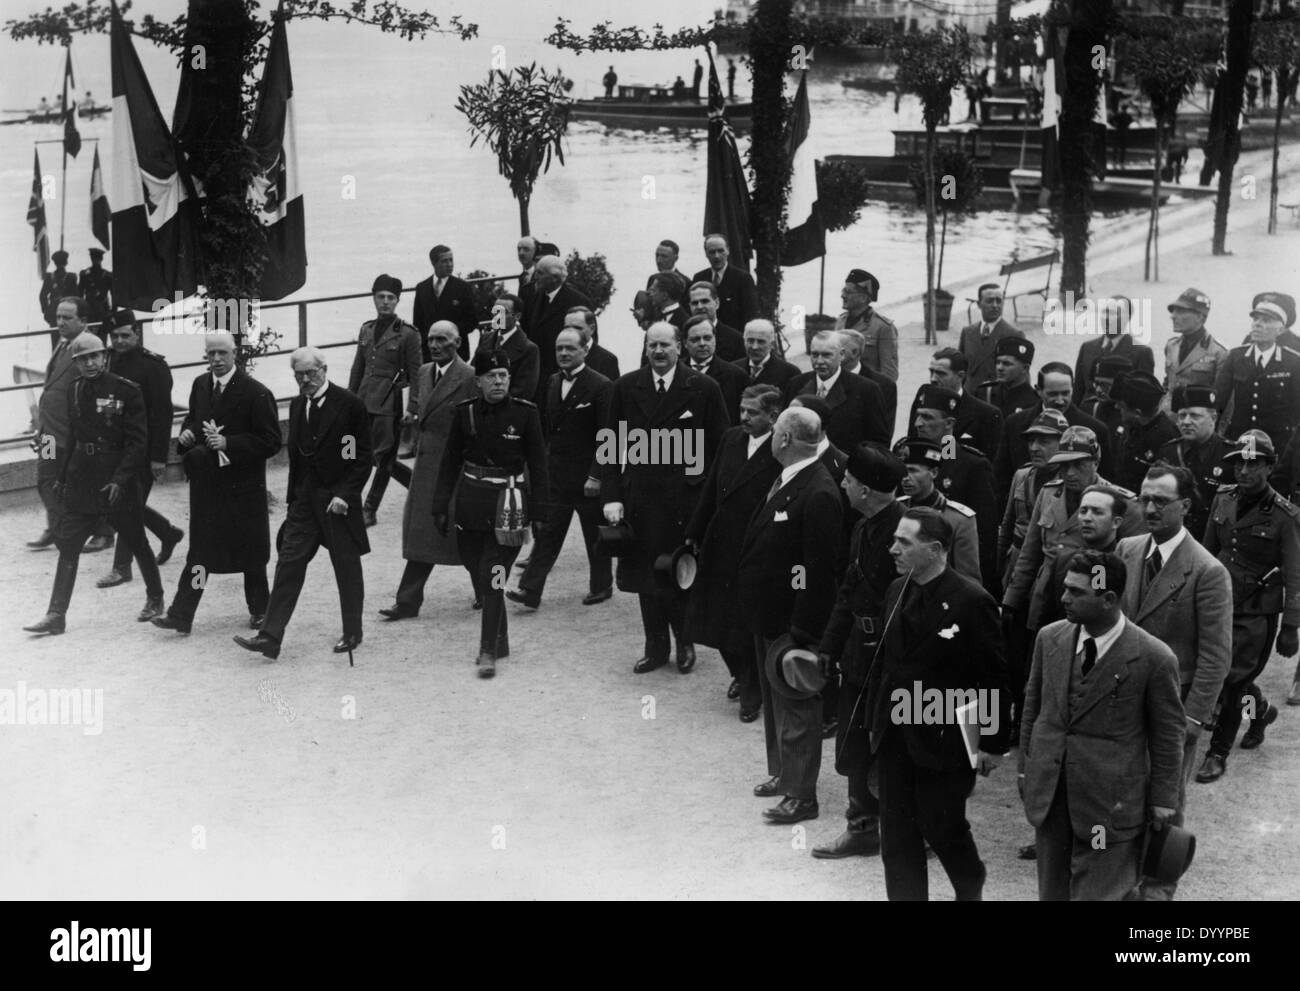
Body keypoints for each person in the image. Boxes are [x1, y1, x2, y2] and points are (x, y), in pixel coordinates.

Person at [863, 507, 1010, 901]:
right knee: (896, 839)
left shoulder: (972, 601)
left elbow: (993, 677)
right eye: (894, 539)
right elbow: (887, 664)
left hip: (944, 738)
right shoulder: (896, 590)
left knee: (942, 827)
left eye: (903, 542)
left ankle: (970, 882)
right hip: (896, 735)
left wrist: (992, 743)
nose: (892, 549)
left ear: (935, 549)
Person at [1020, 550, 1184, 901]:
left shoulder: (1154, 658)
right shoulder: (1050, 639)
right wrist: (1026, 771)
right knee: (1052, 893)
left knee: (1098, 896)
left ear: (1109, 599)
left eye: (1077, 592)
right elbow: (1033, 710)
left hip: (1108, 809)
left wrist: (1163, 799)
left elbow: (1168, 736)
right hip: (1053, 797)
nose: (1064, 598)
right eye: (1065, 588)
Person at [1114, 464, 1232, 899]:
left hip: (1173, 706)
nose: (1148, 508)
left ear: (1185, 506)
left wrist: (1194, 720)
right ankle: (1120, 874)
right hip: (1122, 695)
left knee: (1166, 798)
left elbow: (1216, 656)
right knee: (1122, 786)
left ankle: (1160, 883)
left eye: (1160, 501)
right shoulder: (1126, 549)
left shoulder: (1207, 571)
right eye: (1144, 499)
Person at [601, 323, 728, 674]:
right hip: (640, 495)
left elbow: (721, 450)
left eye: (665, 345)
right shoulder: (626, 386)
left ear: (679, 348)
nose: (658, 352)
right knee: (645, 574)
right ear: (645, 347)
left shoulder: (703, 388)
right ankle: (655, 646)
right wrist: (612, 497)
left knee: (678, 571)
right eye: (652, 345)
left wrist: (710, 499)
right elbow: (611, 445)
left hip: (684, 499)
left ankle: (684, 640)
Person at [739, 407, 844, 825]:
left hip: (792, 621)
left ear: (783, 439)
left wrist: (802, 628)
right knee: (774, 698)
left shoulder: (817, 491)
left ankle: (801, 796)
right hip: (770, 612)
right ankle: (783, 773)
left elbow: (817, 570)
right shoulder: (792, 479)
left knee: (797, 702)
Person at [234, 347, 372, 660]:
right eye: (299, 374)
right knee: (289, 562)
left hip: (337, 502)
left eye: (311, 373)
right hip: (304, 502)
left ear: (324, 369)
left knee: (346, 567)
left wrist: (344, 494)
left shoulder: (349, 405)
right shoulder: (298, 405)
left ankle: (352, 631)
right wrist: (293, 498)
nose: (306, 379)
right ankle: (270, 636)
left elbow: (361, 458)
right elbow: (296, 457)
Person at [23, 333, 164, 634]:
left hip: (117, 481)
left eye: (94, 357)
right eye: (82, 359)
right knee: (69, 547)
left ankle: (156, 598)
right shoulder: (75, 391)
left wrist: (120, 479)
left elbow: (138, 443)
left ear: (104, 357)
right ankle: (56, 614)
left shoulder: (127, 391)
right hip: (83, 481)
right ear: (76, 363)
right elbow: (73, 437)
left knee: (136, 540)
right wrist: (61, 478)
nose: (89, 363)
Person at [151, 332, 282, 635]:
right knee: (200, 553)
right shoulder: (201, 385)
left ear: (236, 353)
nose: (217, 360)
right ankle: (181, 614)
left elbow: (271, 441)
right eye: (211, 354)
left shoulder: (256, 393)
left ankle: (261, 610)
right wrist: (186, 435)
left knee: (251, 555)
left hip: (242, 487)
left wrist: (229, 443)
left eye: (223, 353)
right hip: (208, 487)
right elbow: (194, 420)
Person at [813, 445, 906, 860]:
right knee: (853, 743)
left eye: (848, 480)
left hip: (893, 661)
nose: (843, 484)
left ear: (866, 490)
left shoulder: (908, 533)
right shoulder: (862, 528)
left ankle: (914, 830)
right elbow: (847, 594)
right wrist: (828, 647)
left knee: (895, 747)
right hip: (857, 656)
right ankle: (862, 828)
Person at [432, 352, 548, 679]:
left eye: (503, 376)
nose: (498, 382)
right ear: (478, 380)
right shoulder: (465, 412)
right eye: (492, 376)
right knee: (476, 567)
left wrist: (539, 513)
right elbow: (449, 463)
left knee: (492, 574)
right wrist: (440, 506)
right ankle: (502, 636)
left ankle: (487, 650)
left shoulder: (525, 415)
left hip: (508, 508)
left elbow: (539, 467)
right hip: (471, 507)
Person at [1197, 431, 1300, 781]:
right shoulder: (1222, 499)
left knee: (1233, 679)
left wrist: (1291, 626)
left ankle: (1217, 752)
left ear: (1270, 468)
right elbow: (1207, 554)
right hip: (1219, 602)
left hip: (1257, 610)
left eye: (1253, 464)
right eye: (1239, 462)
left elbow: (1295, 574)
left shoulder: (1285, 516)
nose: (1243, 470)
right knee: (1221, 671)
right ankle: (1260, 712)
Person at [685, 384, 784, 722]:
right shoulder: (731, 439)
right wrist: (694, 534)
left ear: (773, 416)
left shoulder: (781, 448)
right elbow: (712, 486)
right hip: (721, 542)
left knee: (746, 623)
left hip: (756, 547)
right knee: (716, 619)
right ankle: (742, 674)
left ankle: (752, 688)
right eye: (742, 410)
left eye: (752, 412)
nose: (744, 417)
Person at [378, 321, 479, 621]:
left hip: (455, 468)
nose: (435, 346)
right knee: (422, 535)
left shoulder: (470, 377)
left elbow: (475, 426)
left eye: (442, 340)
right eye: (431, 340)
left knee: (465, 537)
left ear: (457, 343)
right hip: (425, 467)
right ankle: (407, 601)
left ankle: (486, 591)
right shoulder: (423, 372)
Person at [508, 326, 613, 610]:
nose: (564, 353)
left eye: (570, 348)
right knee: (548, 533)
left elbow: (608, 436)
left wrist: (596, 476)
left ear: (585, 350)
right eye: (559, 349)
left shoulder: (601, 385)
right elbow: (544, 429)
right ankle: (530, 590)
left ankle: (602, 585)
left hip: (587, 479)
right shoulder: (552, 382)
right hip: (557, 476)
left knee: (595, 534)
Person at [1003, 426, 1143, 640]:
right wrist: (1011, 601)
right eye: (1064, 465)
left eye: (1078, 465)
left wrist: (1102, 603)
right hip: (1046, 600)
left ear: (1095, 462)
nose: (1069, 473)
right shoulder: (1049, 493)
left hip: (1091, 604)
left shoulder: (1120, 503)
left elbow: (1127, 565)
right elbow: (1029, 555)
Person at [96, 309, 184, 589]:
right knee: (123, 503)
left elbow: (163, 414)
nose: (119, 341)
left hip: (144, 450)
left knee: (126, 506)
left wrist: (159, 457)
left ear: (137, 333)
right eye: (114, 336)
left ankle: (121, 567)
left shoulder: (153, 367)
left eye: (125, 335)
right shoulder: (108, 361)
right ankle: (167, 533)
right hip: (115, 449)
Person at [908, 385, 998, 591]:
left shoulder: (969, 465)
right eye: (918, 416)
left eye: (927, 417)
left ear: (949, 423)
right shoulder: (909, 459)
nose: (918, 423)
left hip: (952, 572)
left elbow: (984, 533)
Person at [348, 274, 421, 527]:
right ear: (374, 298)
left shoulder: (408, 334)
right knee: (361, 454)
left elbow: (417, 373)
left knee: (383, 458)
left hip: (390, 404)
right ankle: (418, 486)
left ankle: (369, 508)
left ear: (398, 301)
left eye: (391, 298)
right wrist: (350, 399)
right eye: (381, 297)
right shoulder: (366, 329)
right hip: (363, 400)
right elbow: (358, 368)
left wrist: (413, 407)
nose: (385, 302)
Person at [993, 360, 1113, 505]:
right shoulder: (1015, 423)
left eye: (1065, 393)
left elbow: (1107, 484)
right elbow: (1001, 478)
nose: (1060, 401)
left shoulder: (1095, 429)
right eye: (1053, 394)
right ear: (1038, 390)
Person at [29, 298, 89, 551]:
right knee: (46, 479)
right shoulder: (63, 345)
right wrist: (40, 429)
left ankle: (103, 532)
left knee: (81, 484)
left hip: (70, 434)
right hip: (51, 435)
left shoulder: (87, 347)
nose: (61, 322)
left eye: (67, 317)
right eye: (58, 317)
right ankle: (57, 528)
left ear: (83, 321)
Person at [1213, 295, 1300, 454]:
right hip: (1242, 439)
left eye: (1266, 321)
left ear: (1280, 330)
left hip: (1278, 443)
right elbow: (1218, 403)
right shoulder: (1236, 357)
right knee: (1243, 474)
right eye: (1255, 319)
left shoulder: (1293, 362)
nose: (1257, 324)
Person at [893, 437, 981, 583]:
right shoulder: (896, 510)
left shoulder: (959, 520)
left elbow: (968, 582)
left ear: (933, 473)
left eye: (913, 471)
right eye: (902, 470)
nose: (905, 478)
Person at [784, 331, 889, 451]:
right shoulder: (796, 384)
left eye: (826, 355)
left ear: (842, 354)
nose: (819, 361)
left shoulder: (867, 390)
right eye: (814, 354)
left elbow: (878, 442)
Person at [522, 255, 592, 387]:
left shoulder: (577, 301)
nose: (535, 277)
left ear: (554, 278)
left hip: (562, 371)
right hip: (538, 372)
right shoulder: (535, 297)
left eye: (540, 273)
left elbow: (587, 339)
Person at [1072, 296, 1155, 406]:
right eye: (1104, 312)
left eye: (1113, 314)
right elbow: (1078, 389)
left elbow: (1142, 397)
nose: (1106, 318)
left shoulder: (1141, 352)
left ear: (1128, 318)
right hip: (1086, 415)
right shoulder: (1087, 347)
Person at [921, 347, 1001, 459]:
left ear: (960, 376)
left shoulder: (986, 414)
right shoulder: (922, 405)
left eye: (941, 373)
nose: (933, 378)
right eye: (931, 372)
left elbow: (991, 463)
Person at [1111, 371, 1180, 493]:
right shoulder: (1133, 425)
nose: (1116, 407)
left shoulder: (1167, 438)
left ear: (1138, 413)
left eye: (1121, 405)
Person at [411, 244, 480, 362]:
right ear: (434, 263)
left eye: (451, 260)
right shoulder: (422, 288)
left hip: (456, 351)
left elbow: (472, 320)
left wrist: (451, 335)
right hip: (430, 353)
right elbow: (418, 322)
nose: (450, 264)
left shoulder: (463, 287)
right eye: (444, 261)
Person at [1164, 287, 1227, 401]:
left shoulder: (1219, 352)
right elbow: (1168, 383)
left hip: (1196, 417)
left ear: (1199, 317)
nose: (1173, 316)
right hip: (1168, 416)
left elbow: (1223, 399)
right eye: (1173, 311)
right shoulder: (1171, 346)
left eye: (1180, 311)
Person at [834, 268, 898, 381]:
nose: (842, 295)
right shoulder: (840, 321)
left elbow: (889, 373)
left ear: (863, 298)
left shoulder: (883, 327)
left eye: (848, 292)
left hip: (866, 392)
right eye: (843, 291)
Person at [472, 294, 540, 402]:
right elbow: (473, 372)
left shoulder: (529, 349)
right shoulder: (485, 339)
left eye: (503, 313)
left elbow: (523, 390)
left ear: (517, 316)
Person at [682, 314, 747, 424]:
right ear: (685, 343)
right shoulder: (674, 372)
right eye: (695, 339)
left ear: (715, 339)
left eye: (707, 338)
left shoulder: (737, 376)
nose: (702, 344)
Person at [959, 283, 1023, 391]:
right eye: (990, 301)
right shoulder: (967, 332)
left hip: (995, 398)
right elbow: (960, 370)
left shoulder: (1014, 335)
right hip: (969, 397)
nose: (995, 305)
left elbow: (1022, 376)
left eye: (999, 301)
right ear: (979, 304)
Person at [692, 234, 759, 333]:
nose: (716, 256)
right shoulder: (699, 277)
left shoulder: (743, 278)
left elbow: (751, 315)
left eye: (720, 251)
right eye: (712, 252)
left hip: (734, 339)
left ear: (728, 251)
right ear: (706, 253)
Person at [838, 329, 897, 435]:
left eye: (838, 350)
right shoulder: (820, 377)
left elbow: (883, 435)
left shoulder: (884, 386)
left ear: (855, 353)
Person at [686, 280, 746, 361]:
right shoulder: (683, 336)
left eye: (705, 301)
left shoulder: (736, 339)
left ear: (717, 303)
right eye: (695, 303)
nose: (699, 307)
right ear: (689, 306)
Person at [735, 318, 799, 391]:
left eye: (761, 342)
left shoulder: (790, 373)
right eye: (750, 341)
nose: (754, 347)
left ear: (772, 344)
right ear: (744, 341)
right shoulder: (733, 370)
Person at [39, 250, 79, 337]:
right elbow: (77, 296)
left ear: (55, 263)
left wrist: (46, 311)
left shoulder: (49, 277)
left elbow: (42, 296)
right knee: (68, 340)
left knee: (55, 340)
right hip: (68, 313)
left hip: (54, 314)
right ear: (66, 262)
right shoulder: (71, 277)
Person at [645, 239, 689, 304]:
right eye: (657, 255)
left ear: (676, 258)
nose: (658, 260)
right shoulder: (652, 278)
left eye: (664, 256)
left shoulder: (686, 282)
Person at [78, 247, 113, 327]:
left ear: (101, 259)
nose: (95, 261)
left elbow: (113, 294)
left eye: (96, 259)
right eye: (94, 259)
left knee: (101, 335)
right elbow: (80, 294)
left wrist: (113, 312)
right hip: (90, 311)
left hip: (102, 310)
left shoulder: (108, 275)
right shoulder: (84, 275)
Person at [647, 273, 688, 339]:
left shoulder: (685, 323)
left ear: (664, 295)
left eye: (653, 291)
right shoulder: (655, 317)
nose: (650, 294)